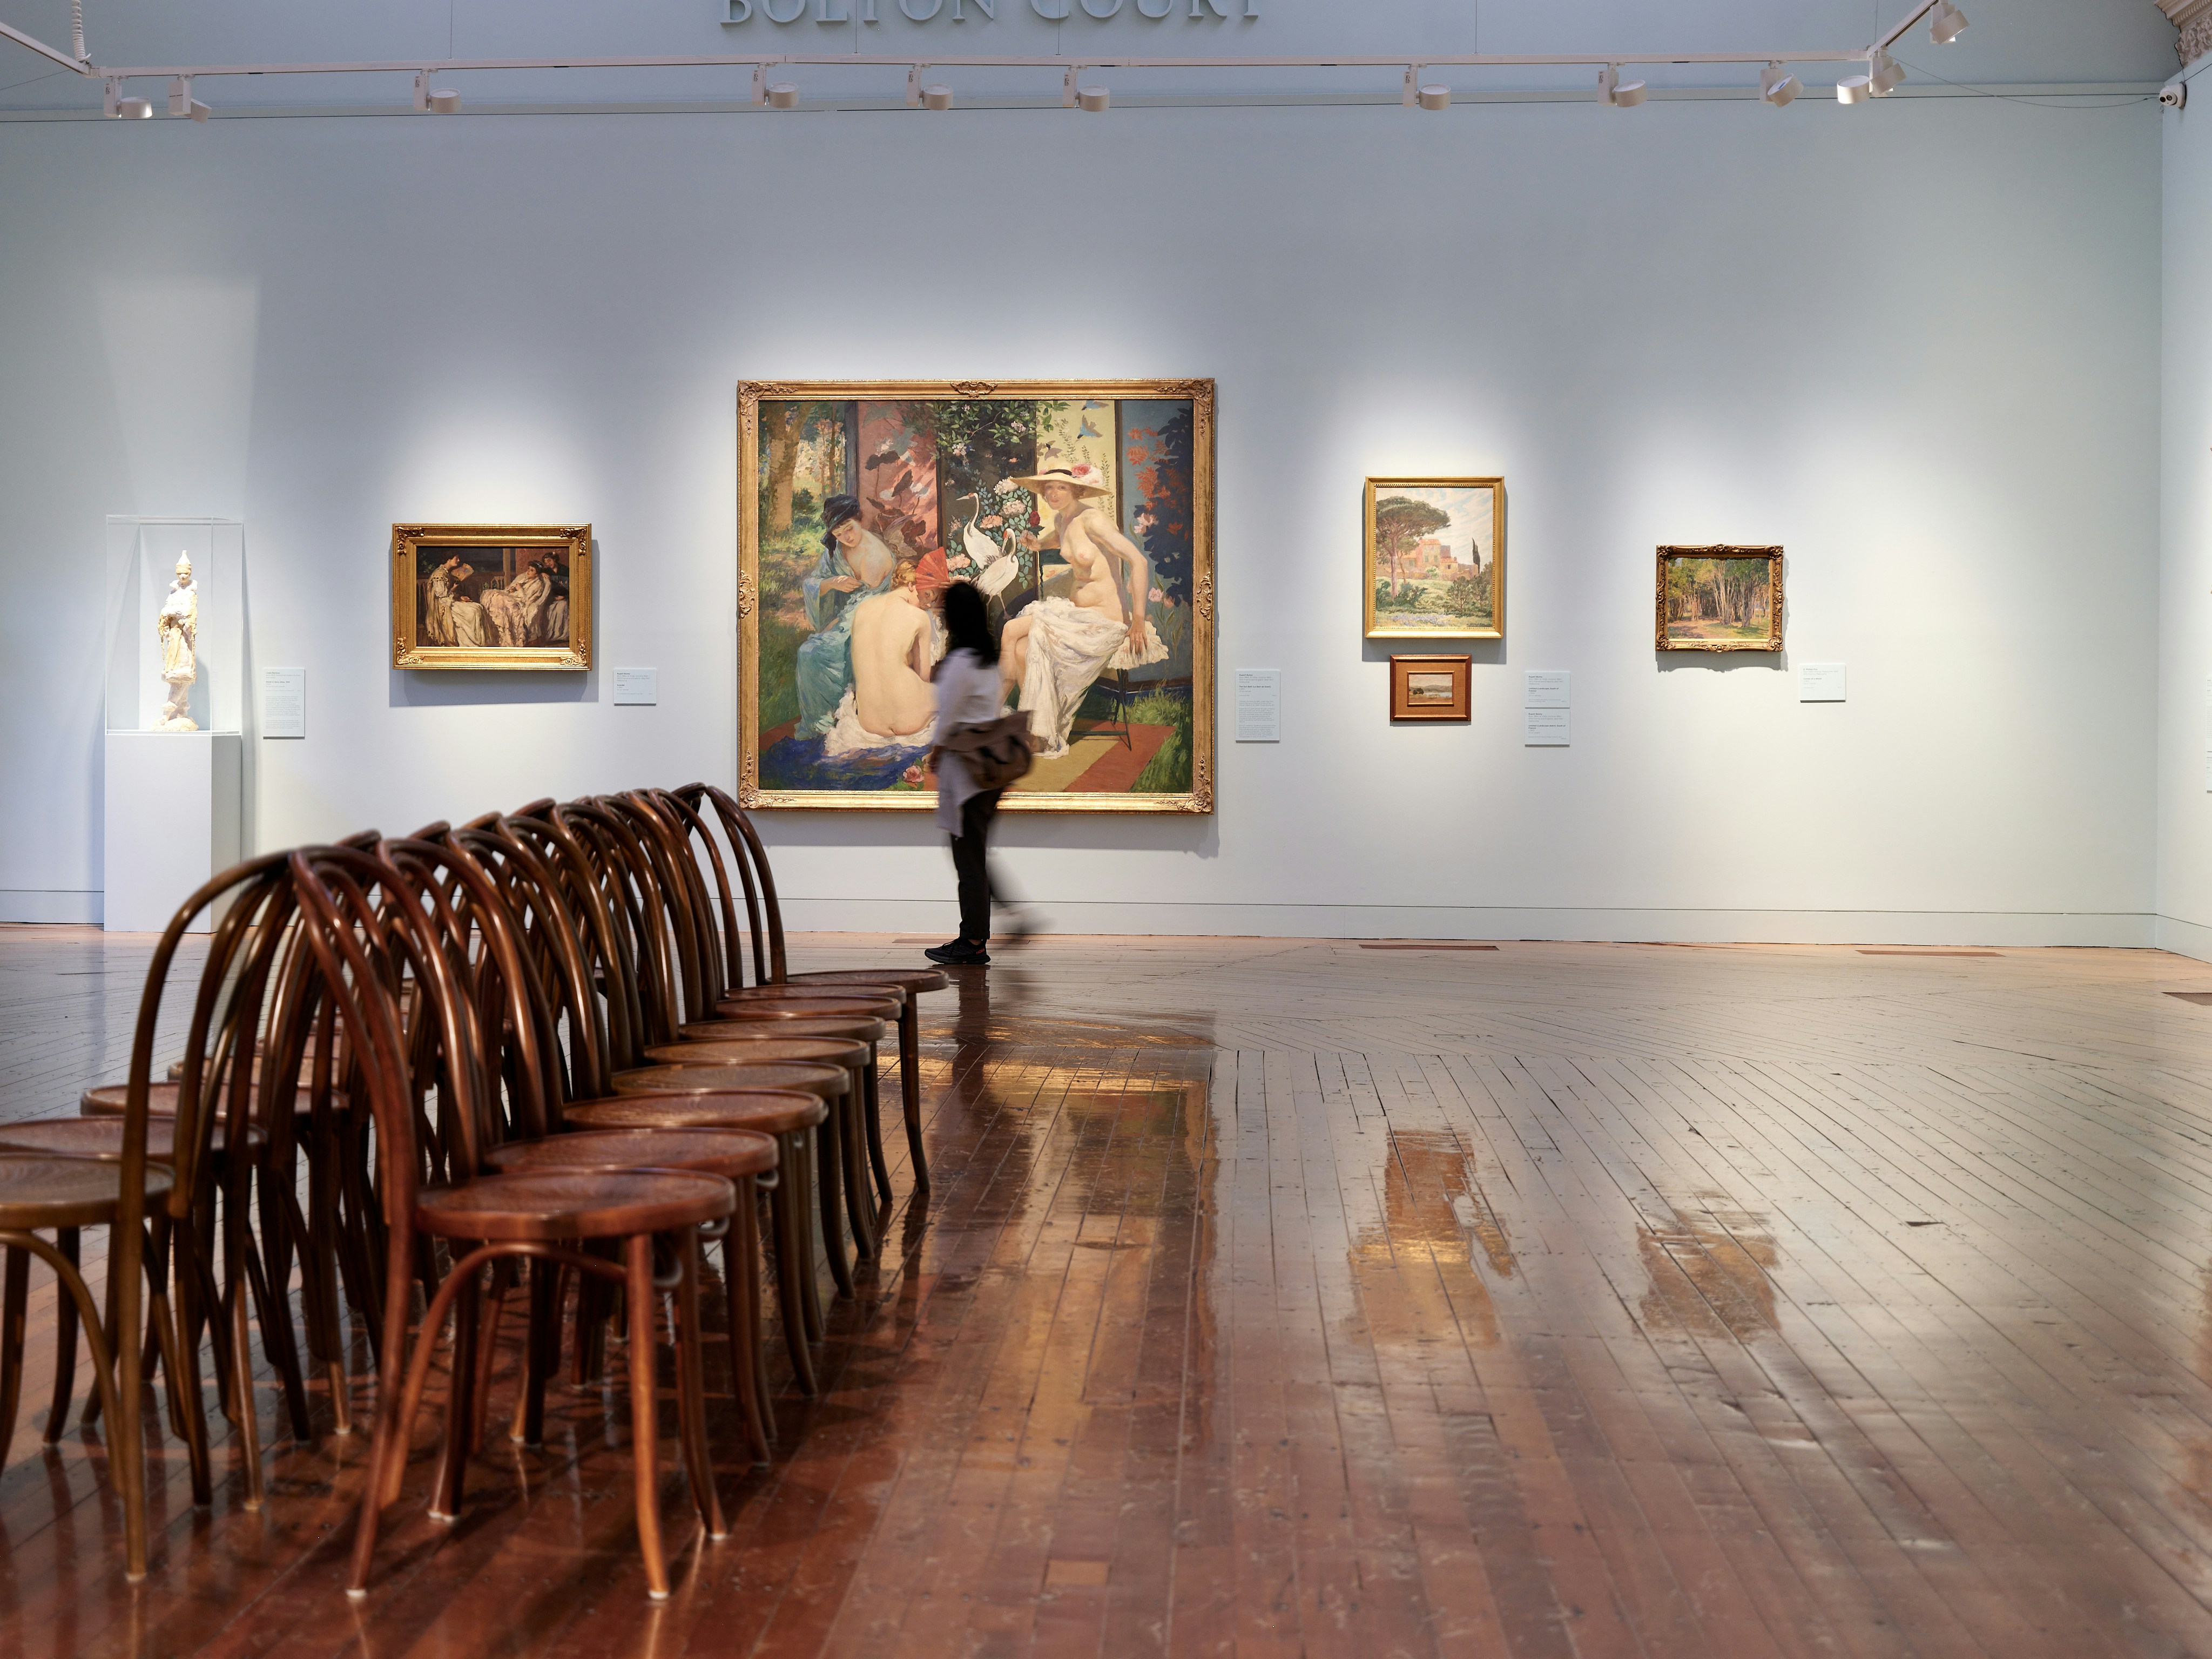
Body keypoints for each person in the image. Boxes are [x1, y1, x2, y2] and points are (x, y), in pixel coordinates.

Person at [997, 463, 1168, 757]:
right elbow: (1057, 540)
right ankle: (1037, 732)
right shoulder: (1065, 521)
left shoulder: (1093, 520)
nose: (1053, 493)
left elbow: (1138, 562)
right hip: (1076, 618)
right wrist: (1036, 544)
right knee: (1023, 650)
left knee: (1011, 629)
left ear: (1076, 490)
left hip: (1104, 622)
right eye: (1048, 488)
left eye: (1061, 487)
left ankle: (994, 717)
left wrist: (1138, 620)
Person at [925, 581, 1028, 967]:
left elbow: (948, 718)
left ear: (953, 618)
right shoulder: (986, 660)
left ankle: (972, 941)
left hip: (967, 773)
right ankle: (1008, 919)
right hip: (991, 768)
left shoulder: (960, 663)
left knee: (968, 858)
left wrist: (935, 753)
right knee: (975, 854)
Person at [797, 494, 900, 736]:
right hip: (849, 618)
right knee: (809, 652)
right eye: (839, 533)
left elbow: (864, 608)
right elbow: (813, 581)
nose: (847, 537)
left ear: (859, 520)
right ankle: (821, 722)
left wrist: (834, 627)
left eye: (850, 529)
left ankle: (835, 719)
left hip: (870, 621)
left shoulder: (875, 555)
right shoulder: (837, 549)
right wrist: (833, 582)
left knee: (813, 654)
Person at [822, 561, 939, 754]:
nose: (928, 604)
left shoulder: (863, 609)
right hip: (910, 718)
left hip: (870, 722)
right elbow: (923, 676)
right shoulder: (920, 617)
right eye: (927, 595)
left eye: (932, 601)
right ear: (911, 585)